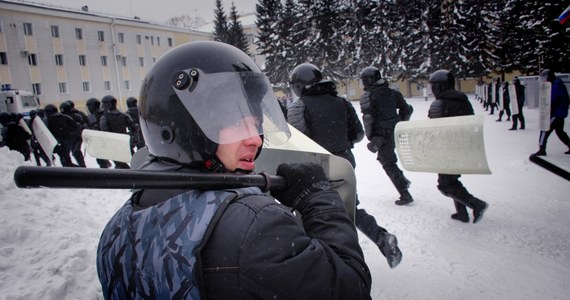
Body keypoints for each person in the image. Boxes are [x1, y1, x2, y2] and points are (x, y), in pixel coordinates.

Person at [96, 41, 372, 299]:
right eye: (237, 123)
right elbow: (351, 286)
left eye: (257, 123)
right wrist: (318, 199)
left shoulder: (118, 227)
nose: (255, 138)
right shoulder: (257, 226)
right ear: (185, 129)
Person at [287, 63, 402, 268]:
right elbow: (357, 134)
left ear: (299, 85)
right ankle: (382, 237)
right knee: (350, 208)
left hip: (315, 168)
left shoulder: (300, 106)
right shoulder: (341, 102)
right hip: (344, 164)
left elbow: (296, 142)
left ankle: (320, 261)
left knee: (311, 213)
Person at [428, 69, 489, 224]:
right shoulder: (463, 100)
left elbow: (433, 130)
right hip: (461, 149)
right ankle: (461, 213)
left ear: (440, 86)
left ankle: (476, 204)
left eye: (434, 86)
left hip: (446, 151)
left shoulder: (440, 104)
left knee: (445, 186)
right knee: (452, 182)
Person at [359, 66, 414, 206]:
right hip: (394, 133)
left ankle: (405, 193)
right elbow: (406, 110)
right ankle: (403, 182)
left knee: (388, 163)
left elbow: (368, 119)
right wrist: (399, 124)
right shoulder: (392, 92)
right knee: (388, 161)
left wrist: (372, 137)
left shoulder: (369, 96)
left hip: (381, 135)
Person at [534, 69, 570, 156]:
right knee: (559, 131)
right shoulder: (555, 84)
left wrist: (549, 106)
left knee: (545, 129)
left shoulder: (556, 85)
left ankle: (542, 149)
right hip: (559, 112)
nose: (543, 80)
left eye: (544, 78)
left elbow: (553, 99)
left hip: (556, 113)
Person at [99, 95, 137, 169]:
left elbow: (105, 134)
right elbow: (134, 127)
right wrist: (134, 140)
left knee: (123, 164)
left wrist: (134, 140)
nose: (103, 106)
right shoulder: (124, 115)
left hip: (116, 145)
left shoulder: (105, 118)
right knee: (133, 162)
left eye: (104, 103)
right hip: (124, 143)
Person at [86, 98, 112, 168]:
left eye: (89, 106)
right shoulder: (106, 112)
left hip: (102, 138)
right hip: (102, 138)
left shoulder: (92, 116)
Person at [60, 101, 87, 167]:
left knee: (71, 153)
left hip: (70, 138)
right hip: (77, 136)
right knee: (75, 152)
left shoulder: (64, 117)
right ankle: (81, 166)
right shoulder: (78, 114)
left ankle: (79, 167)